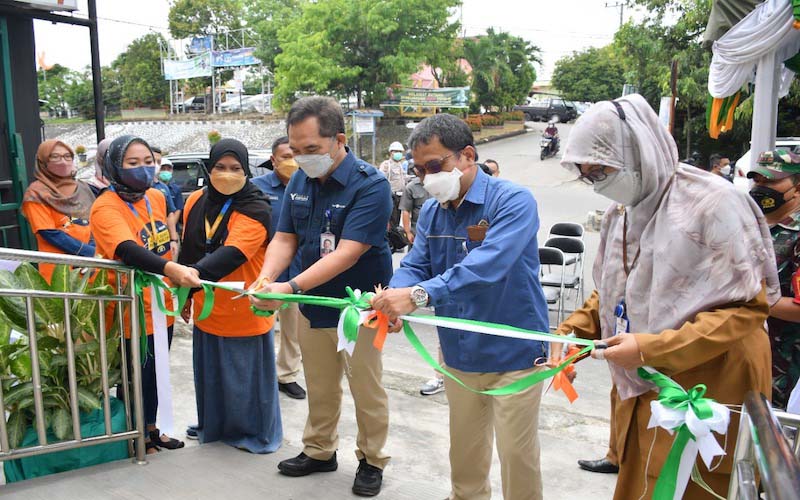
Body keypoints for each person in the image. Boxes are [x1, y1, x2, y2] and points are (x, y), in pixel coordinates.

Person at [554, 94, 777, 499]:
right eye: (589, 175)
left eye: (603, 170)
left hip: (710, 379)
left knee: (693, 485)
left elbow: (746, 308)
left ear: (639, 150)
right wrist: (571, 335)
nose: (599, 183)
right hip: (645, 377)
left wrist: (654, 347)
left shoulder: (714, 203)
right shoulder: (623, 212)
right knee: (640, 478)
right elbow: (612, 291)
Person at [371, 113, 551, 500]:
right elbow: (417, 264)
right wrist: (393, 299)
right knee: (465, 456)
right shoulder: (434, 211)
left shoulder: (512, 201)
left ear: (467, 155)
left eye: (435, 165)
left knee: (518, 457)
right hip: (460, 355)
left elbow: (487, 266)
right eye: (419, 169)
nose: (426, 176)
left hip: (516, 355)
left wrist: (418, 297)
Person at [250, 96, 392, 497]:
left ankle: (372, 458)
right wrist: (266, 279)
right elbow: (285, 236)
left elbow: (348, 252)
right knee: (320, 383)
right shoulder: (300, 179)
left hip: (359, 307)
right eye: (295, 150)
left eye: (311, 149)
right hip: (312, 305)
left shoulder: (371, 184)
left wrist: (289, 288)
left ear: (338, 140)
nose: (302, 158)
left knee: (367, 387)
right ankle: (319, 450)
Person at [90, 135, 202, 454]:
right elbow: (127, 249)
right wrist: (172, 270)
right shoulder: (105, 206)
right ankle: (136, 434)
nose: (144, 169)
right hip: (131, 307)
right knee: (135, 374)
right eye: (132, 163)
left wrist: (174, 279)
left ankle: (155, 429)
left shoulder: (156, 195)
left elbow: (164, 242)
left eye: (148, 161)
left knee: (158, 372)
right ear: (113, 167)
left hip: (161, 302)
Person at [178, 138, 282, 453]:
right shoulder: (195, 199)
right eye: (220, 167)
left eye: (235, 168)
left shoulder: (256, 206)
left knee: (245, 381)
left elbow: (233, 253)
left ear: (247, 171)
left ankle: (253, 433)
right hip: (208, 308)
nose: (227, 174)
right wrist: (185, 295)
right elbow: (188, 247)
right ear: (208, 169)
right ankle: (214, 425)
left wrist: (189, 281)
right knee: (211, 376)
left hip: (244, 309)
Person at [252, 136, 306, 400]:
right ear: (273, 160)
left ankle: (287, 375)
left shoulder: (309, 186)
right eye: (285, 156)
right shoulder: (256, 188)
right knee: (257, 326)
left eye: (295, 154)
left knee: (293, 330)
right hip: (263, 271)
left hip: (298, 272)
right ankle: (258, 375)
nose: (292, 161)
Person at [747, 149, 800, 410]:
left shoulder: (796, 236)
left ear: (797, 188)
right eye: (758, 180)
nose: (761, 187)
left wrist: (747, 300)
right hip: (744, 355)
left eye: (771, 181)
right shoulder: (749, 224)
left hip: (785, 368)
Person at [22, 140, 96, 282]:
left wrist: (93, 248)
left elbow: (96, 221)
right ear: (43, 161)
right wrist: (85, 251)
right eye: (55, 157)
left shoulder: (83, 188)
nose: (63, 162)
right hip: (59, 270)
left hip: (91, 267)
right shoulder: (37, 193)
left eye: (67, 156)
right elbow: (48, 232)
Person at [150, 147, 181, 258]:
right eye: (152, 161)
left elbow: (170, 213)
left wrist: (173, 239)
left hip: (162, 237)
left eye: (159, 162)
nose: (155, 165)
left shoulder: (163, 188)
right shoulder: (136, 187)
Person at [379, 141, 407, 228]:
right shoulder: (386, 165)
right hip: (391, 196)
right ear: (391, 152)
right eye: (396, 151)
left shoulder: (401, 165)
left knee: (397, 220)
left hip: (400, 196)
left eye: (400, 152)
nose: (398, 154)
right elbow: (381, 180)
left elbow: (404, 178)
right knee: (391, 220)